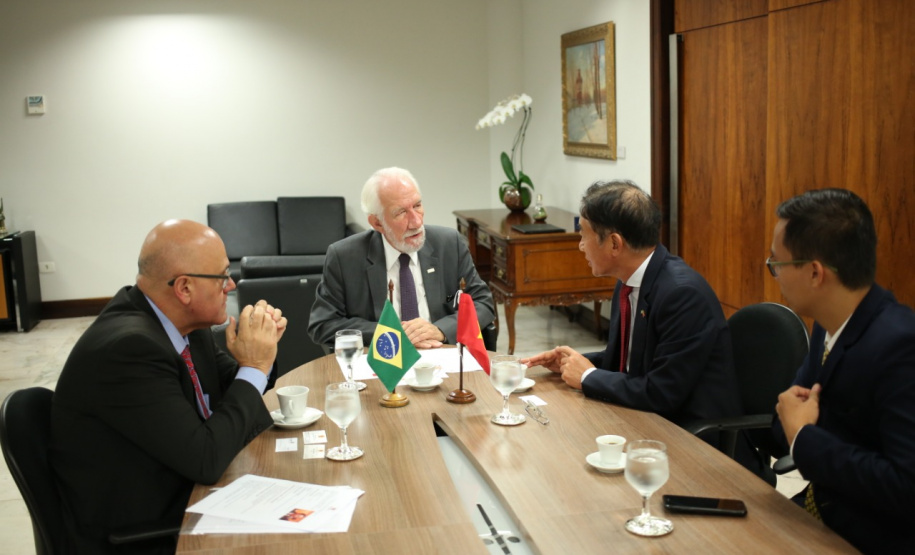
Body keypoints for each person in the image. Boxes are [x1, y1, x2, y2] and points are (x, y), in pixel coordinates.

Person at [50, 219, 288, 554]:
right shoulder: (128, 350)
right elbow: (206, 459)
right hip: (143, 530)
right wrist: (254, 366)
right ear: (185, 289)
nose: (231, 286)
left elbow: (235, 390)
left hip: (187, 490)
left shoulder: (184, 323)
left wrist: (257, 353)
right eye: (222, 276)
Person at [521, 180, 742, 442]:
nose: (580, 246)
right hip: (645, 421)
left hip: (693, 440)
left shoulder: (682, 294)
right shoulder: (629, 282)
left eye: (584, 236)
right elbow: (629, 360)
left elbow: (662, 393)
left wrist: (588, 376)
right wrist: (571, 362)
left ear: (615, 244)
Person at [769, 188, 915, 552]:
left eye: (777, 263)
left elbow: (905, 485)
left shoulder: (900, 346)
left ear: (816, 273)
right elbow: (785, 418)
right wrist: (795, 426)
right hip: (820, 513)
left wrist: (804, 436)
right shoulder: (827, 322)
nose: (774, 274)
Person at [308, 167, 494, 348]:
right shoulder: (345, 257)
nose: (416, 221)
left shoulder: (449, 244)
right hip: (383, 361)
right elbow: (323, 324)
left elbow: (483, 303)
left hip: (441, 353)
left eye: (417, 206)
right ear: (377, 222)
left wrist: (440, 329)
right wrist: (391, 333)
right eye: (401, 212)